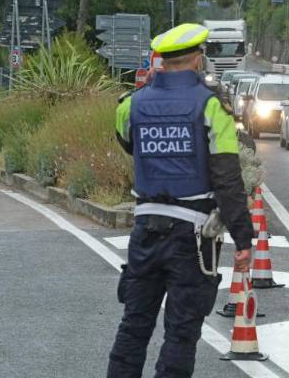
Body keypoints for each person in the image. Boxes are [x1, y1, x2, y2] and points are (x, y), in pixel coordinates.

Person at [109, 23, 254, 378]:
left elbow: (130, 146)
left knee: (134, 325)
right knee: (181, 332)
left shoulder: (130, 105)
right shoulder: (211, 107)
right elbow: (227, 178)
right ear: (197, 59)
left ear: (161, 60)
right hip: (191, 236)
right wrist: (243, 238)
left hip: (145, 229)